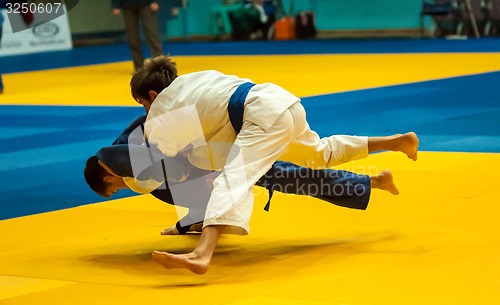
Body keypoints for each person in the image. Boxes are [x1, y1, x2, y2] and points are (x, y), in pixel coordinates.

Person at [129, 55, 419, 274]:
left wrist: (128, 173)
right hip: (281, 101)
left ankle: (201, 254)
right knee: (319, 153)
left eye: (144, 104)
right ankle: (395, 141)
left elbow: (155, 154)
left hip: (259, 115)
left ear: (153, 95)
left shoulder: (163, 107)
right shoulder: (197, 79)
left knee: (234, 179)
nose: (146, 111)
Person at [84, 115, 398, 236]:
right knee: (290, 178)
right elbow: (173, 189)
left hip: (222, 145)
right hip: (216, 152)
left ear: (106, 177)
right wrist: (186, 224)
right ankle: (372, 180)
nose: (120, 189)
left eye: (112, 189)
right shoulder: (129, 164)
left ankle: (374, 174)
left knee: (292, 173)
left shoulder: (122, 155)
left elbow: (176, 168)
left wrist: (205, 177)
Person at [112, 0, 164, 71]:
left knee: (152, 35)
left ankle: (160, 65)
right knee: (133, 38)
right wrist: (115, 4)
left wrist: (154, 1)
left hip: (146, 4)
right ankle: (139, 68)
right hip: (127, 5)